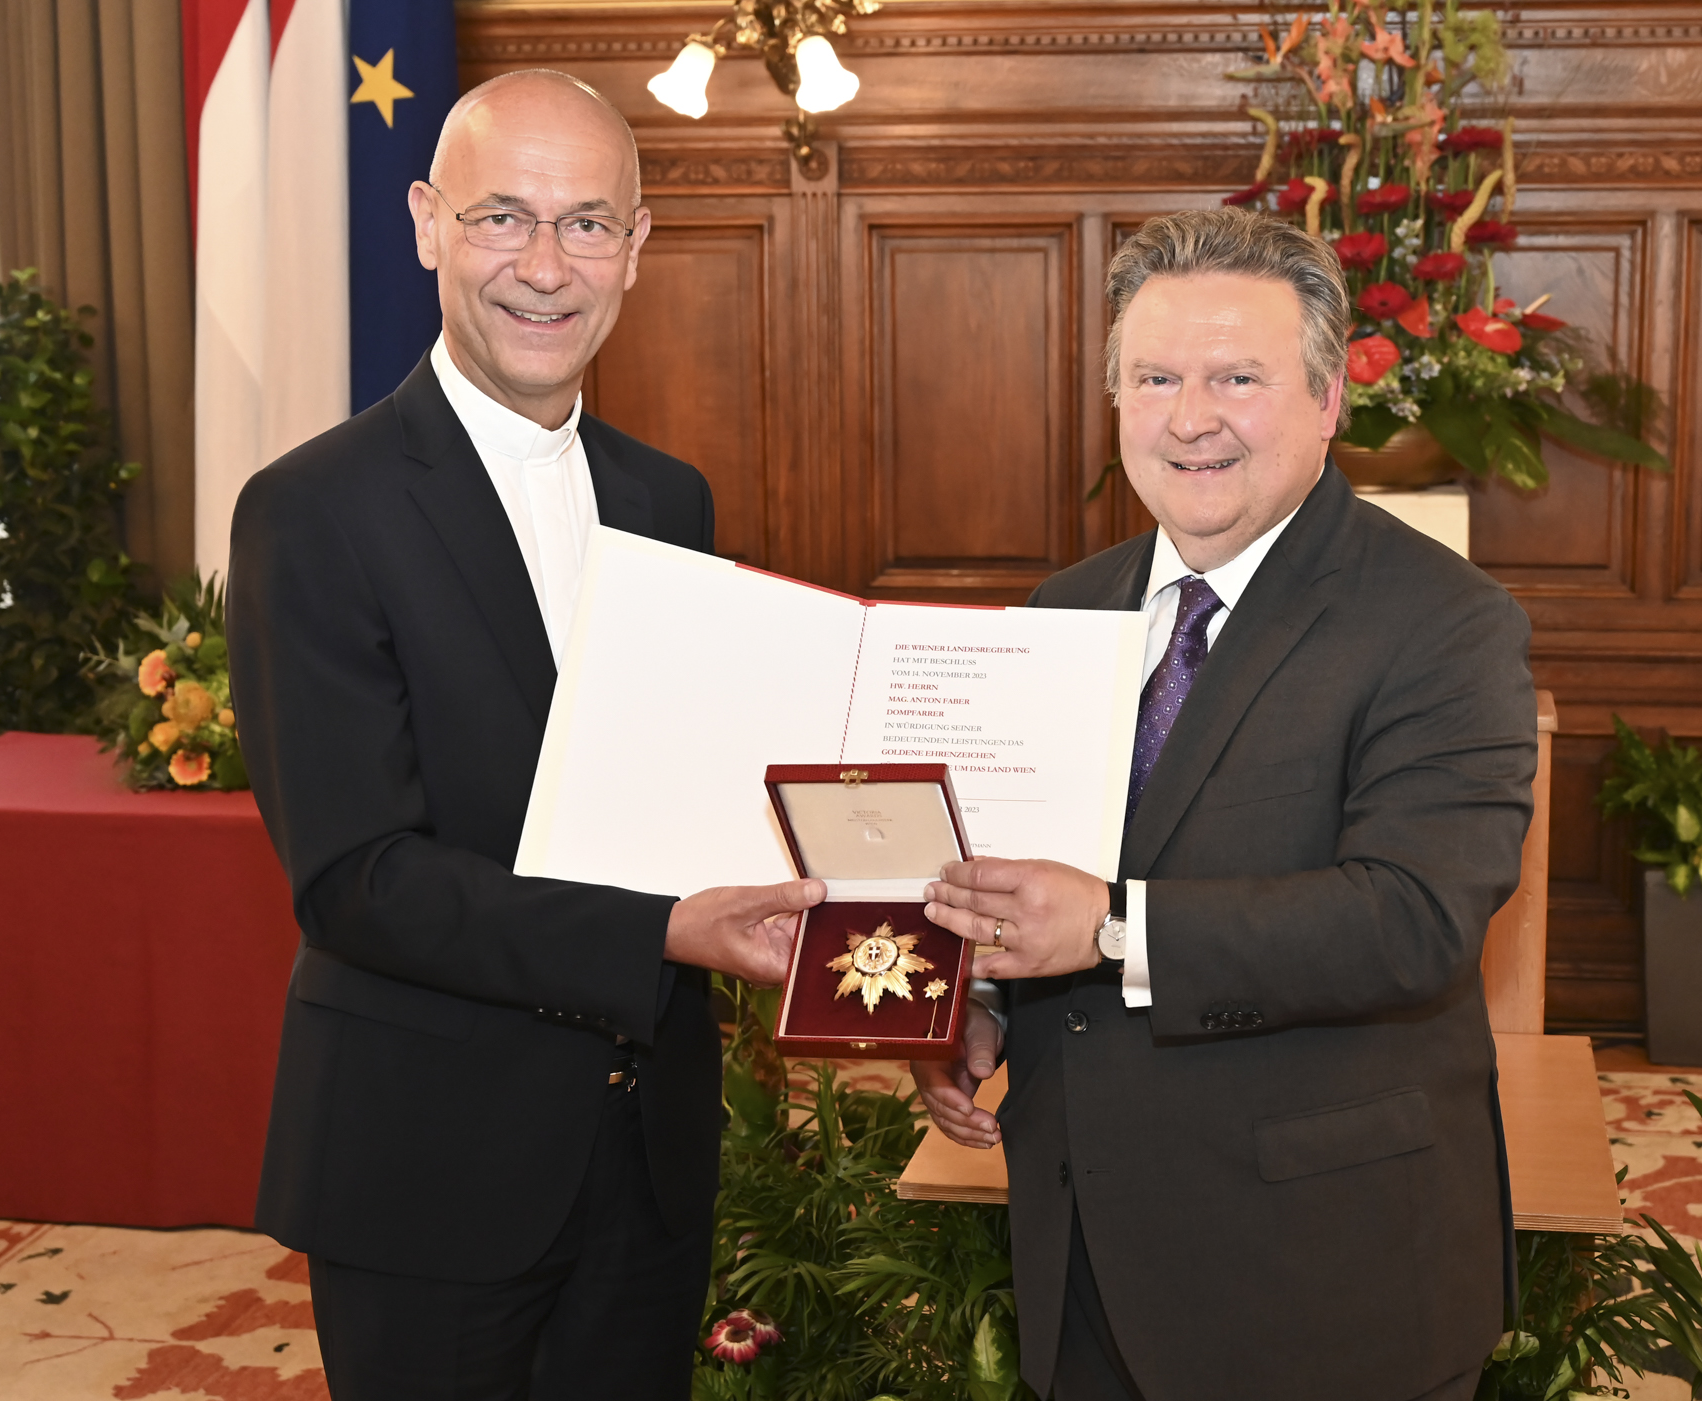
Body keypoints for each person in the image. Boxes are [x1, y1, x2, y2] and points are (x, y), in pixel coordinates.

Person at [227, 70, 822, 1399]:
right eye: (504, 217)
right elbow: (356, 879)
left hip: (647, 1156)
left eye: (586, 224)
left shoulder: (670, 501)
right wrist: (662, 931)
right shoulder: (312, 511)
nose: (545, 267)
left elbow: (684, 798)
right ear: (429, 221)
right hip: (428, 1161)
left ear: (638, 246)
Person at [913, 208, 1538, 1400]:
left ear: (1324, 400)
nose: (1188, 417)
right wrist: (972, 1001)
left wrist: (1105, 929)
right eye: (1153, 378)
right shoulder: (1062, 609)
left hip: (1319, 1277)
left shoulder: (1442, 624)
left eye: (1234, 378)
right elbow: (1024, 868)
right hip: (1083, 1258)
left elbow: (1412, 919)